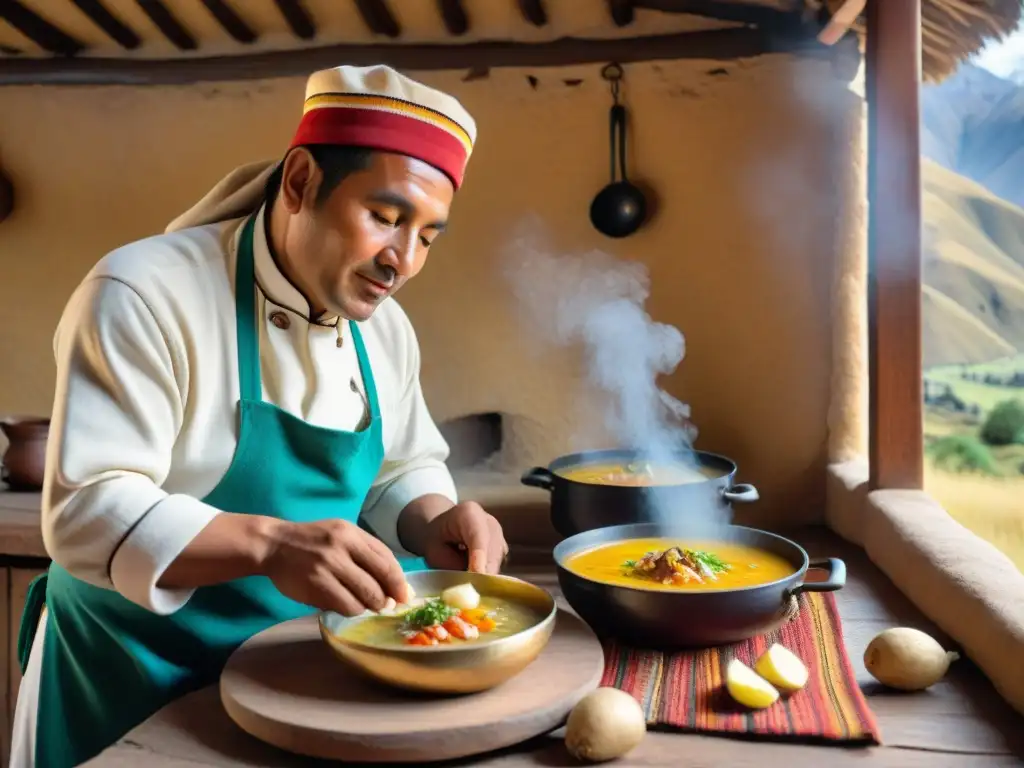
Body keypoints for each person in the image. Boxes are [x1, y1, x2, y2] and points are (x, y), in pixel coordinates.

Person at [10, 64, 507, 768]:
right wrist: (273, 545)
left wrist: (434, 518)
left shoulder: (385, 330)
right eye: (387, 218)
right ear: (300, 181)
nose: (403, 261)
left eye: (428, 236)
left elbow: (402, 465)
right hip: (129, 677)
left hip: (290, 675)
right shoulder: (142, 292)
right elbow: (88, 510)